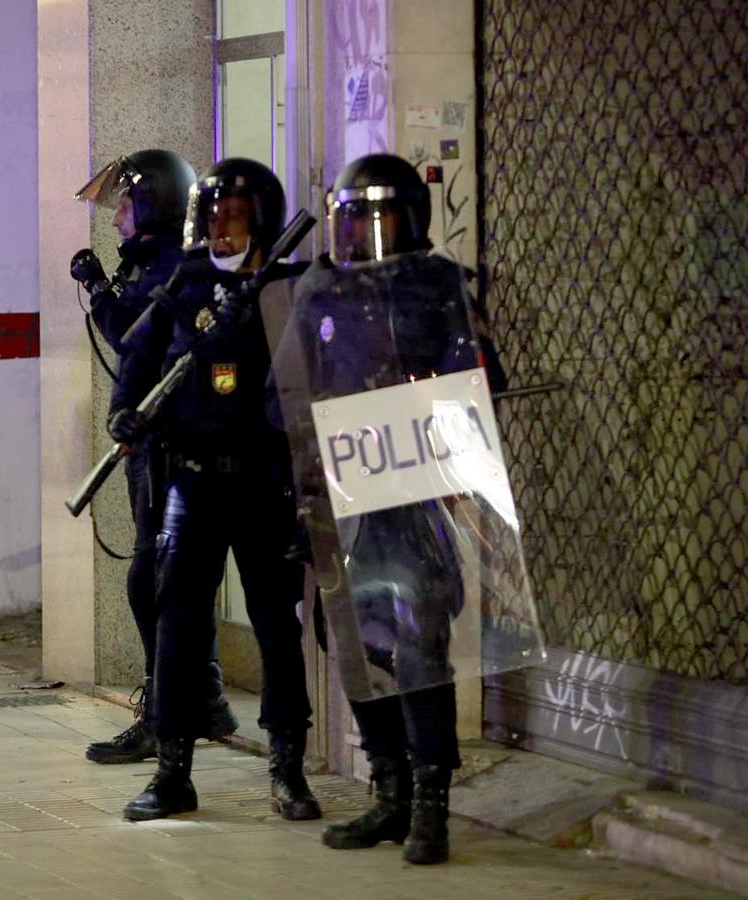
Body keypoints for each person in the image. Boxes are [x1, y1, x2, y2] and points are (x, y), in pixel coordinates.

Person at [284, 154, 507, 865]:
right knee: (354, 645)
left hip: (415, 495)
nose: (367, 233)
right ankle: (388, 790)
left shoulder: (438, 284)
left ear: (411, 219)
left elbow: (479, 377)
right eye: (355, 218)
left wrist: (429, 397)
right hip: (345, 496)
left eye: (381, 218)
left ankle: (431, 804)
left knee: (418, 649)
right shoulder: (319, 287)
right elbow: (285, 388)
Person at [108, 158, 321, 822]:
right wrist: (127, 410)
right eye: (212, 218)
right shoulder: (186, 281)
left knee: (275, 629)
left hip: (263, 487)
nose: (220, 230)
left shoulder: (287, 288)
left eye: (234, 217)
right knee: (177, 625)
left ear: (261, 220)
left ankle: (288, 766)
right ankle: (174, 772)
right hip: (192, 484)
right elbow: (138, 357)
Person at [70, 150, 239, 764]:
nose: (115, 219)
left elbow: (130, 334)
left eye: (124, 204)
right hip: (155, 441)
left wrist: (96, 290)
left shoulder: (173, 265)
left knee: (155, 582)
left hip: (179, 448)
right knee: (170, 579)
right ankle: (208, 700)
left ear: (156, 204)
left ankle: (168, 711)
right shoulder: (153, 263)